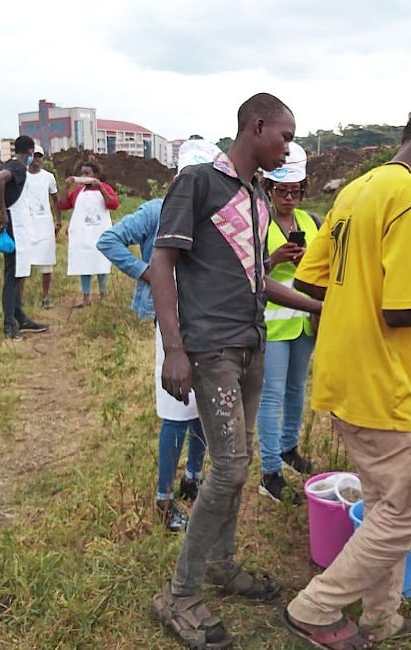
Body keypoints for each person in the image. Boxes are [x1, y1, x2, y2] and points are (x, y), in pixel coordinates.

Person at [284, 102, 411, 650]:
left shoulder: (356, 191)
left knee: (385, 503)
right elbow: (403, 310)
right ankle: (316, 606)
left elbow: (310, 281)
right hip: (382, 380)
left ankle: (383, 619)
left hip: (341, 371)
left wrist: (358, 304)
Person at [149, 93, 323, 650]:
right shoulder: (199, 182)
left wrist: (322, 308)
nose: (288, 146)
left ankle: (222, 565)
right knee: (227, 468)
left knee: (239, 461)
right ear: (257, 126)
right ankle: (179, 594)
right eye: (286, 135)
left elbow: (255, 282)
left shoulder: (255, 197)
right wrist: (174, 349)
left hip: (252, 346)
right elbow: (161, 265)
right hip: (210, 351)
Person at [96, 140, 222, 533]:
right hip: (172, 328)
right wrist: (146, 271)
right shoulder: (157, 211)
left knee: (202, 407)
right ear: (179, 176)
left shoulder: (215, 216)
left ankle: (194, 477)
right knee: (176, 411)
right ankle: (164, 500)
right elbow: (108, 240)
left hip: (208, 324)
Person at [256, 141, 319, 504]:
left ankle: (287, 448)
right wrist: (274, 258)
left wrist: (307, 261)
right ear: (270, 189)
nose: (289, 198)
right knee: (272, 395)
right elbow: (248, 273)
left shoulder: (310, 222)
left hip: (304, 324)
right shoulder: (260, 222)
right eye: (283, 191)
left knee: (296, 391)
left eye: (295, 191)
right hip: (274, 325)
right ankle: (269, 472)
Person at [0, 135, 48, 339]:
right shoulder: (17, 168)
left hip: (19, 225)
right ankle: (9, 325)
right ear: (30, 151)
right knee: (13, 276)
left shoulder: (8, 164)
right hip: (15, 225)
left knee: (19, 272)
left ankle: (20, 317)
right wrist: (3, 211)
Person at [58, 162, 118, 307]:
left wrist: (101, 188)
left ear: (95, 175)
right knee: (84, 263)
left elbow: (113, 204)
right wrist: (66, 187)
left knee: (101, 263)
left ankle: (103, 296)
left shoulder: (106, 188)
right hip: (83, 234)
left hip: (99, 232)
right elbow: (63, 205)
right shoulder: (79, 191)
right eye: (82, 173)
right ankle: (86, 297)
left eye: (87, 173)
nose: (84, 176)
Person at [14, 145, 62, 309]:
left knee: (47, 261)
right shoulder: (21, 175)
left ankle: (46, 297)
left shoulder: (48, 177)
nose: (37, 159)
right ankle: (19, 299)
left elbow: (55, 200)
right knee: (23, 262)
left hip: (44, 224)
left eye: (39, 156)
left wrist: (59, 221)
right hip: (25, 224)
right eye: (34, 156)